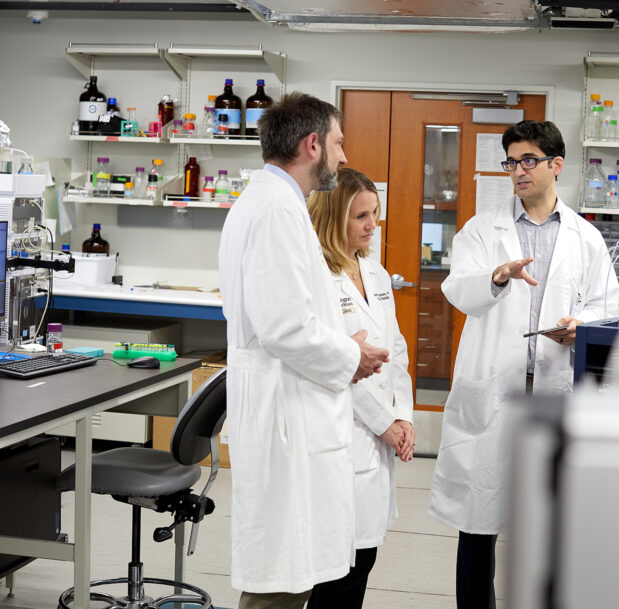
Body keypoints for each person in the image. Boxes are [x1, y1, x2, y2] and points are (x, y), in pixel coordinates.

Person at [428, 120, 618, 609]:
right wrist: (495, 276)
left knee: (550, 522)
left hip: (552, 388)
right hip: (494, 389)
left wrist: (581, 324)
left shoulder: (585, 237)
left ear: (556, 165)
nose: (517, 171)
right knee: (479, 519)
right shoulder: (482, 229)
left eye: (528, 160)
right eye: (511, 161)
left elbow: (605, 304)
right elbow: (458, 289)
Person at [218, 92, 391, 609]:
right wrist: (349, 356)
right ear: (312, 144)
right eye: (338, 143)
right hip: (285, 416)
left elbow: (291, 316)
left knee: (289, 571)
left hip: (287, 408)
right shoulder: (276, 212)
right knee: (282, 581)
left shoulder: (273, 205)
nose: (343, 156)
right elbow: (284, 327)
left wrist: (341, 345)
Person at [305, 168, 416, 609]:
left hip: (378, 437)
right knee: (338, 570)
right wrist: (384, 421)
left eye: (376, 214)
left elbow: (397, 350)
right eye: (361, 217)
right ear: (334, 219)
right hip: (341, 432)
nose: (373, 226)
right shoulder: (317, 278)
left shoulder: (375, 272)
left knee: (363, 559)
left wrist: (404, 415)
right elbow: (335, 364)